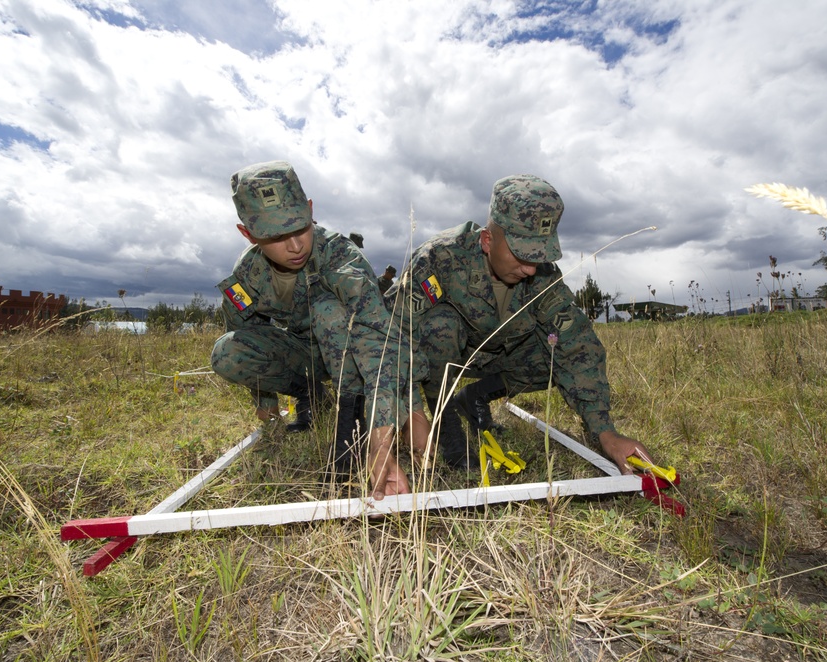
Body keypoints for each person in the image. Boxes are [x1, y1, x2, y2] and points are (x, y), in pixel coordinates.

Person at [385, 174, 657, 474]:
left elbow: (577, 345)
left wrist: (607, 434)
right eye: (521, 255)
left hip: (498, 357)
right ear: (487, 241)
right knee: (441, 327)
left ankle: (476, 395)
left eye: (538, 256)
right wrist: (411, 414)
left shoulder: (543, 277)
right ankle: (447, 427)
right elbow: (395, 336)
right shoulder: (440, 258)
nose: (530, 269)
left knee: (554, 351)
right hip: (448, 357)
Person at [210, 160, 419, 498]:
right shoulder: (247, 274)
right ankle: (310, 394)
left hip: (350, 357)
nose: (294, 247)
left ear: (310, 210)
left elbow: (378, 340)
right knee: (226, 351)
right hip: (305, 356)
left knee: (329, 311)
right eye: (275, 237)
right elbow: (244, 330)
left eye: (300, 228)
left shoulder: (338, 255)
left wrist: (381, 441)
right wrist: (263, 395)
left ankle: (351, 421)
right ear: (247, 234)